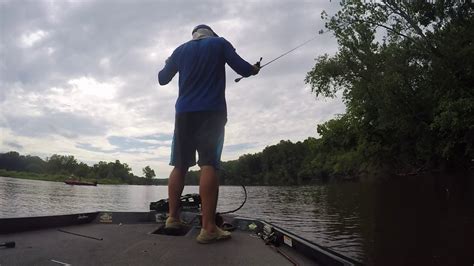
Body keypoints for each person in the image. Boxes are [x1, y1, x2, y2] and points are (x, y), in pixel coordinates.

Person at [158, 24, 260, 244]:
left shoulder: (180, 50)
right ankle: (208, 228)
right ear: (210, 34)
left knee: (180, 165)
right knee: (208, 164)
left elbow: (162, 78)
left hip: (183, 114)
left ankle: (172, 218)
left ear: (194, 36)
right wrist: (254, 69)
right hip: (211, 113)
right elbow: (243, 69)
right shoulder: (220, 42)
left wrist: (168, 62)